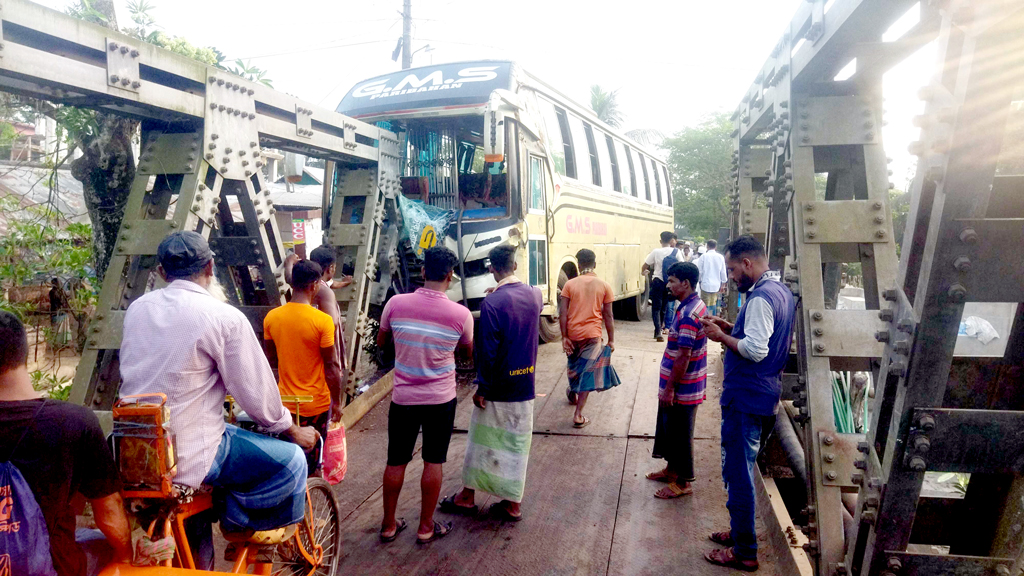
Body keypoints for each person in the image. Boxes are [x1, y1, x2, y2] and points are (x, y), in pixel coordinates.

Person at [120, 231, 318, 569]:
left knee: (194, 514)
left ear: (163, 272)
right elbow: (257, 396)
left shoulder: (137, 309)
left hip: (137, 453)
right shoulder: (222, 316)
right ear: (210, 267)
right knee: (291, 461)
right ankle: (241, 526)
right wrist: (291, 430)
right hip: (192, 452)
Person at [0, 310, 133, 576]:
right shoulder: (73, 422)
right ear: (26, 354)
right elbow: (110, 514)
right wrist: (127, 559)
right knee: (105, 546)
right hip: (51, 567)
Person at [700, 235, 795, 572]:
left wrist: (721, 337)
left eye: (732, 269)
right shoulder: (781, 293)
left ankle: (744, 551)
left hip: (746, 397)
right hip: (764, 394)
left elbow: (756, 350)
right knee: (741, 469)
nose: (730, 277)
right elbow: (763, 337)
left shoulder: (759, 299)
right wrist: (731, 328)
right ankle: (739, 532)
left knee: (738, 474)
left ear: (747, 264)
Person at [377, 246, 473, 544]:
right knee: (434, 460)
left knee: (396, 460)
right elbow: (467, 352)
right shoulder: (461, 314)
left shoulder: (395, 303)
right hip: (440, 400)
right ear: (450, 276)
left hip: (403, 398)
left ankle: (389, 525)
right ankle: (426, 527)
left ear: (422, 272)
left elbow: (382, 342)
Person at [440, 244, 543, 522]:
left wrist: (482, 387)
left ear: (491, 268)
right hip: (526, 384)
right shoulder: (536, 294)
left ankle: (467, 497)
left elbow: (487, 350)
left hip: (497, 386)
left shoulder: (493, 303)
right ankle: (512, 503)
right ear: (516, 266)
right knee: (517, 444)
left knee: (482, 442)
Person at [264, 259, 345, 474]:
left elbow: (272, 360)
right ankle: (311, 499)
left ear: (293, 284)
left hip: (285, 405)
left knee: (288, 463)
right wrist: (337, 402)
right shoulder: (322, 321)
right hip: (314, 405)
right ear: (315, 285)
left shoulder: (272, 318)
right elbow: (332, 366)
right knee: (312, 462)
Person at [646, 263, 708, 500]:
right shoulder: (691, 306)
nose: (668, 285)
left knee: (682, 433)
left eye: (672, 281)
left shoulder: (688, 315)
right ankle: (671, 470)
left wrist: (670, 388)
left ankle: (683, 482)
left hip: (684, 387)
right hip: (682, 384)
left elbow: (684, 355)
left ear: (686, 283)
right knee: (669, 427)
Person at [560, 249, 619, 428]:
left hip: (573, 335)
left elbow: (562, 312)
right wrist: (611, 339)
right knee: (586, 374)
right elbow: (608, 315)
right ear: (595, 264)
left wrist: (564, 337)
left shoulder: (569, 285)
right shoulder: (604, 285)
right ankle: (578, 412)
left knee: (575, 368)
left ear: (578, 265)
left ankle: (574, 396)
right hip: (593, 336)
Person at [285, 247, 352, 380]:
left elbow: (289, 278)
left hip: (307, 345)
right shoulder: (325, 291)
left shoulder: (304, 284)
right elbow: (333, 323)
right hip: (325, 349)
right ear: (331, 268)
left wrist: (289, 263)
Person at [642, 231, 681, 342]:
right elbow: (682, 265)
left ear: (660, 241)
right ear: (671, 241)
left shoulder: (656, 251)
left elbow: (645, 265)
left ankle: (657, 331)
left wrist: (643, 272)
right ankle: (661, 328)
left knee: (656, 307)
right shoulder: (676, 251)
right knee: (664, 307)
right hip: (669, 282)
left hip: (657, 281)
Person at [696, 239, 728, 316]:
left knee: (705, 303)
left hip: (705, 284)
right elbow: (723, 271)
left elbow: (700, 271)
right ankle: (712, 318)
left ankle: (705, 318)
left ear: (707, 246)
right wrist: (723, 283)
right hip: (716, 285)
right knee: (713, 303)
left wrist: (699, 281)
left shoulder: (703, 256)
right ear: (715, 247)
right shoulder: (720, 257)